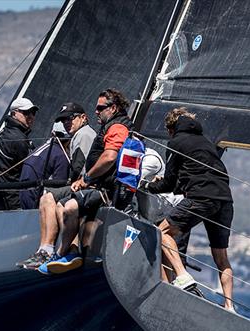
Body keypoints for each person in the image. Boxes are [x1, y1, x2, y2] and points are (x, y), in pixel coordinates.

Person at [146, 108, 235, 311]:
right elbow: (192, 176)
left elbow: (169, 184)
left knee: (161, 233)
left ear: (171, 128)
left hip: (201, 197)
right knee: (221, 256)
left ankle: (182, 276)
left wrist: (148, 185)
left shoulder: (176, 142)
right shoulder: (206, 143)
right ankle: (229, 306)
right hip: (224, 199)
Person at [43, 89, 132, 274]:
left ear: (113, 108)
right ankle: (69, 252)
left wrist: (87, 178)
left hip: (106, 189)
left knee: (69, 207)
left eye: (101, 108)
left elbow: (109, 157)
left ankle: (63, 253)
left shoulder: (117, 127)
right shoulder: (111, 126)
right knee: (61, 205)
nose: (96, 112)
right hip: (100, 186)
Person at [16, 102, 96, 269]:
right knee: (48, 196)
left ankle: (51, 251)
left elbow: (79, 169)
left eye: (70, 118)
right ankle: (46, 250)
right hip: (83, 185)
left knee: (49, 197)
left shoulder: (84, 134)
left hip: (88, 187)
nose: (67, 123)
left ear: (83, 118)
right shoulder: (78, 136)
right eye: (64, 120)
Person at [0, 97, 37, 211]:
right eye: (27, 113)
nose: (31, 117)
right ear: (14, 113)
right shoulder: (17, 139)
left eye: (33, 113)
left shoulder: (4, 133)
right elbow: (32, 168)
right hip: (14, 201)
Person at [18, 121, 72, 210]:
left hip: (24, 199)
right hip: (37, 203)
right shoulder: (60, 156)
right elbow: (59, 188)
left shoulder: (40, 148)